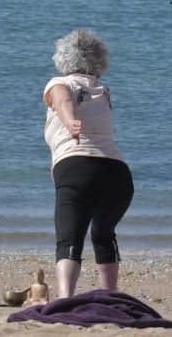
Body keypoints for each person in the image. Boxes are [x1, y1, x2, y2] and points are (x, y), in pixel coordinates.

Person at [43, 29, 133, 298]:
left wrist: (69, 121)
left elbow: (62, 99)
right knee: (104, 235)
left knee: (69, 238)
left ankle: (65, 299)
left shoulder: (59, 82)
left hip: (77, 167)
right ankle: (111, 296)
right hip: (118, 173)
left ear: (63, 58)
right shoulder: (103, 91)